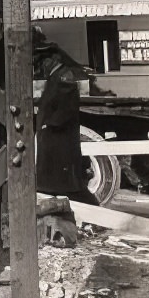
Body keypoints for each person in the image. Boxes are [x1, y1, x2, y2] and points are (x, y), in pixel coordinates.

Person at [33, 28, 99, 205]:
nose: (42, 64)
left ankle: (95, 214)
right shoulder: (57, 76)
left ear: (53, 59)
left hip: (59, 142)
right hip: (55, 142)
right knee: (59, 185)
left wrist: (50, 124)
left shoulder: (63, 77)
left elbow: (66, 108)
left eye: (44, 60)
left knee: (67, 184)